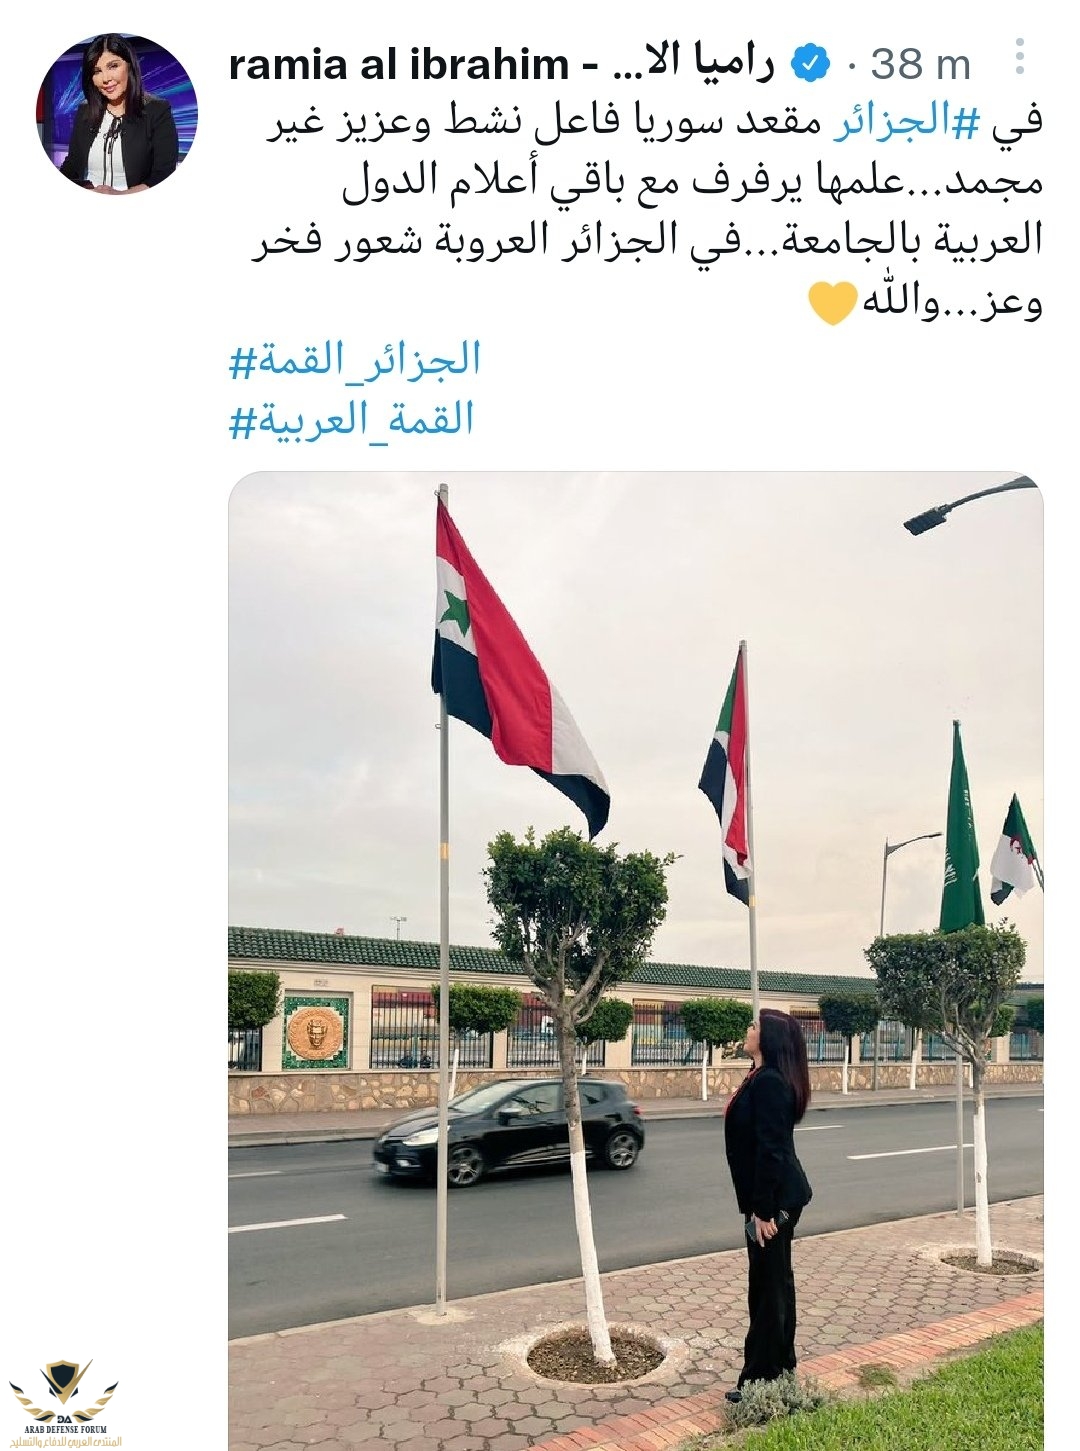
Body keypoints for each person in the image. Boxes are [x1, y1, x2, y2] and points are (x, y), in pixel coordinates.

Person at [723, 1009, 813, 1402]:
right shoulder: (759, 1076)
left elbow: (771, 1151)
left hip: (774, 1204)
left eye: (756, 1026)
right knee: (774, 1285)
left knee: (767, 1290)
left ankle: (760, 1381)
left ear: (770, 1039)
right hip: (767, 1200)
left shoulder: (771, 1083)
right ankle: (781, 1368)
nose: (749, 1029)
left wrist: (761, 1212)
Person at [59, 35, 178, 193]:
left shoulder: (157, 110)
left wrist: (119, 195)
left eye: (113, 66)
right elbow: (72, 165)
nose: (106, 78)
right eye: (97, 71)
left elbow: (164, 175)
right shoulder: (85, 110)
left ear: (130, 66)